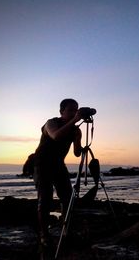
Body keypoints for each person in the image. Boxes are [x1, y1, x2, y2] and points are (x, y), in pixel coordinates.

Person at [33, 98, 84, 246]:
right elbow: (55, 136)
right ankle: (44, 234)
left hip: (58, 164)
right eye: (71, 110)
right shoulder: (51, 123)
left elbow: (76, 153)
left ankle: (67, 228)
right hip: (42, 163)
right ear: (61, 111)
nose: (74, 113)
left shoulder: (75, 129)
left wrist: (79, 140)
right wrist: (75, 120)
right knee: (45, 199)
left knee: (68, 198)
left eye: (76, 110)